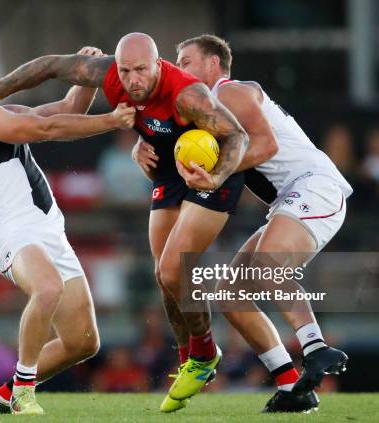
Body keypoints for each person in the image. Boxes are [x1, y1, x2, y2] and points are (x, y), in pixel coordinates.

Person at [0, 32, 251, 410]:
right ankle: (190, 356)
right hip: (169, 169)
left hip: (210, 170)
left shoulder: (188, 94)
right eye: (125, 71)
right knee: (162, 275)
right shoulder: (108, 74)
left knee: (173, 270)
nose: (133, 79)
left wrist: (215, 177)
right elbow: (53, 64)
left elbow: (238, 136)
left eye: (141, 70)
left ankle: (204, 356)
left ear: (157, 64)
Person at [137, 34, 353, 411]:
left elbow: (266, 146)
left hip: (314, 186)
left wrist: (217, 174)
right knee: (229, 294)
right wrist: (145, 143)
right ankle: (291, 387)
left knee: (269, 264)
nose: (178, 69)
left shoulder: (230, 92)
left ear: (213, 65)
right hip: (291, 198)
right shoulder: (205, 111)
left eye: (185, 60)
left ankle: (316, 347)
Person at [0, 46, 135, 414]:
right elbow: (43, 129)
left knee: (83, 342)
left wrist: (85, 79)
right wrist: (113, 121)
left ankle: (5, 393)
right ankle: (23, 392)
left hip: (49, 230)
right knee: (47, 287)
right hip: (13, 231)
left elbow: (67, 112)